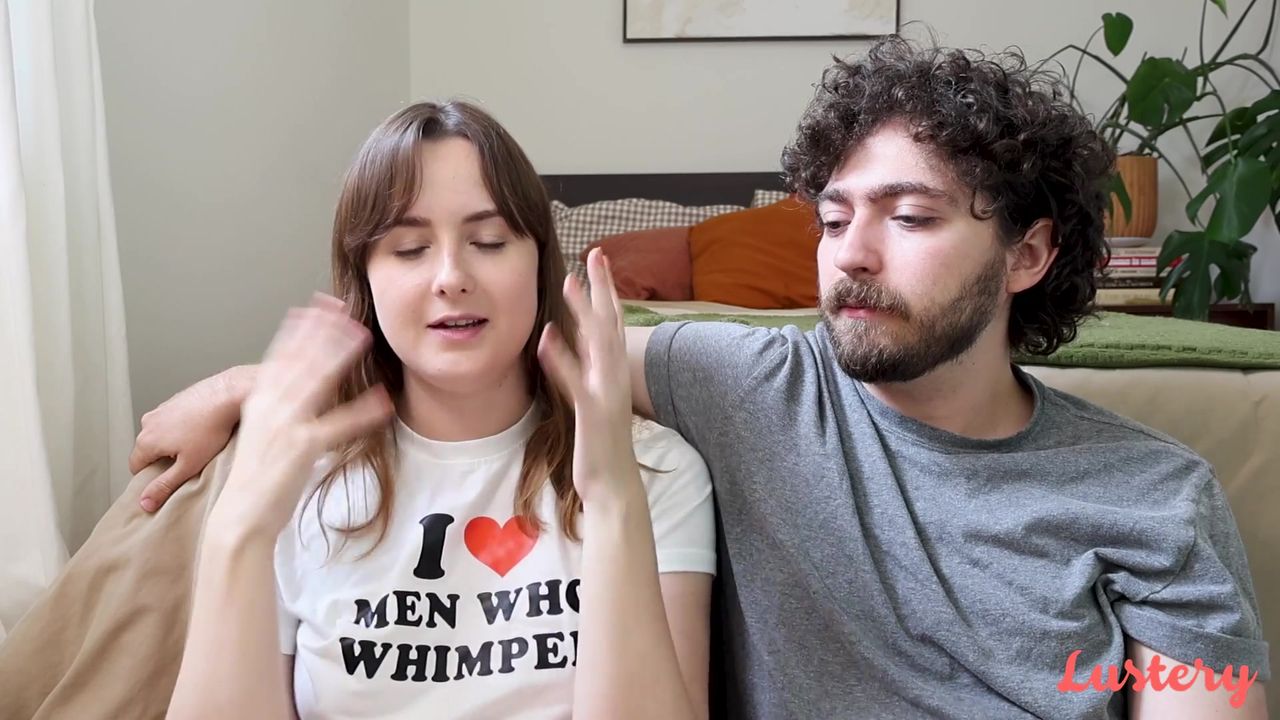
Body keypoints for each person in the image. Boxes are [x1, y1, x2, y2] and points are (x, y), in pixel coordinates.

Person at [136, 39, 1269, 718]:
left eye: (912, 217)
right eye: (832, 218)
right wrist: (241, 392)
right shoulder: (748, 383)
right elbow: (487, 347)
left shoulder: (1152, 498)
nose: (853, 255)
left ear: (1028, 253)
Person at [163, 101, 716, 719]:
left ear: (539, 262)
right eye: (409, 249)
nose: (451, 277)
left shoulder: (654, 471)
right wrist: (237, 529)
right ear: (365, 277)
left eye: (488, 241)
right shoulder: (295, 476)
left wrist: (613, 501)